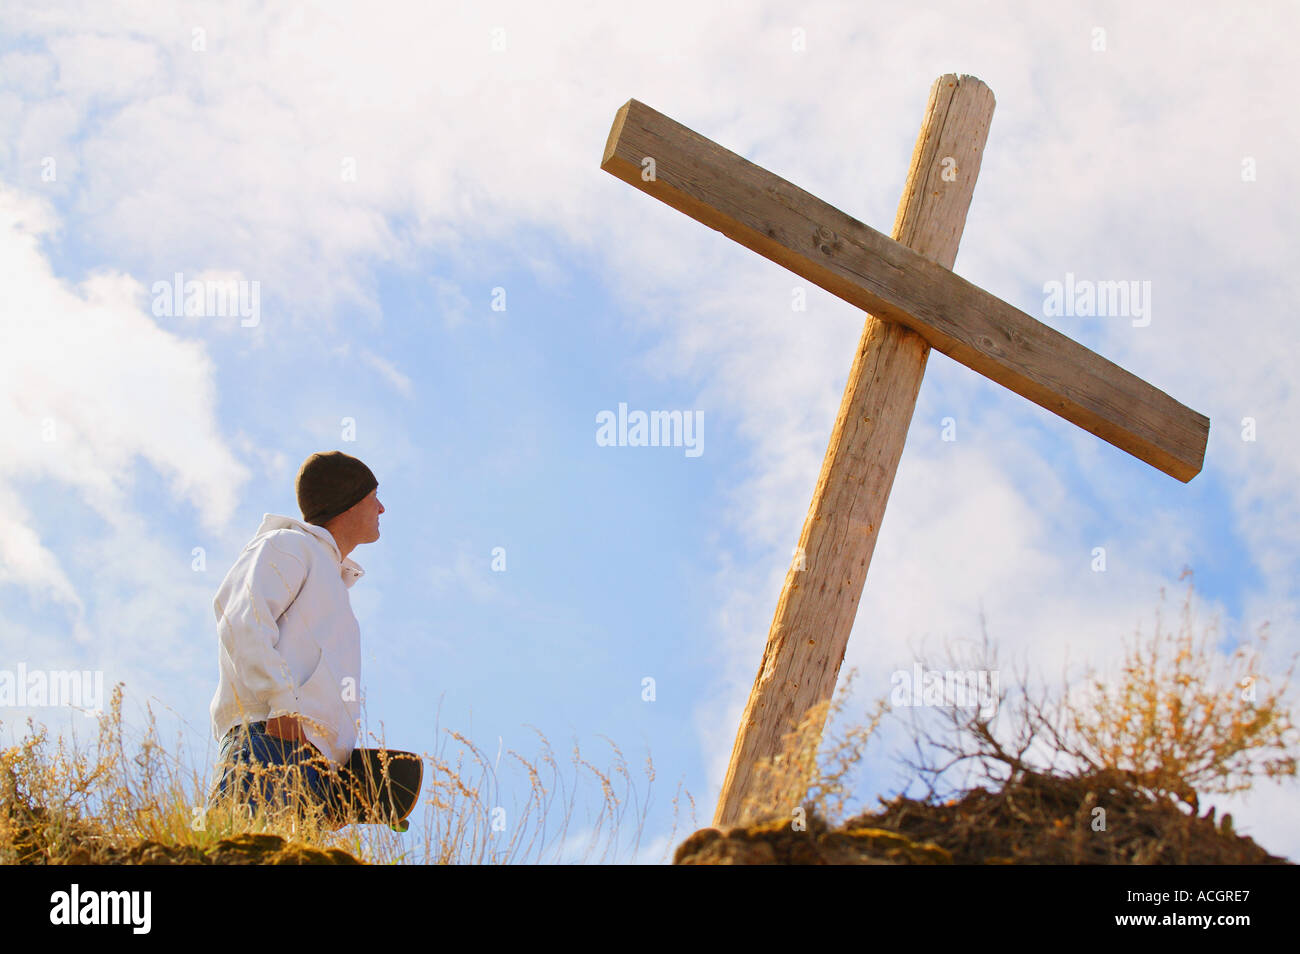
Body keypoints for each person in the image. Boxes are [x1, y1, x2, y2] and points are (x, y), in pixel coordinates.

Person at [207, 450, 384, 827]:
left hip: (310, 765)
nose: (381, 509)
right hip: (271, 740)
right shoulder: (288, 546)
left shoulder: (335, 586)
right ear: (349, 502)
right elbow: (243, 618)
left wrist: (339, 777)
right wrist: (282, 704)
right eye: (373, 498)